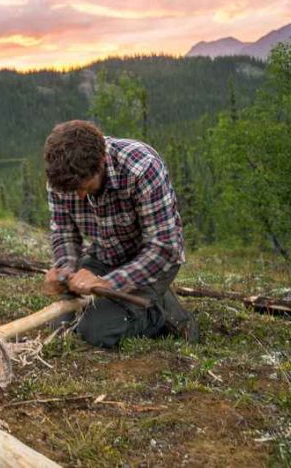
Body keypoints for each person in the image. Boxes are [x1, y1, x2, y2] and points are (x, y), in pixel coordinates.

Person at [42, 120, 199, 348]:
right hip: (105, 255)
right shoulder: (61, 176)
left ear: (101, 162)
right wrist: (65, 270)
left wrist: (109, 283)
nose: (78, 196)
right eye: (71, 190)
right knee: (60, 325)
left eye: (84, 187)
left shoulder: (142, 167)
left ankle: (160, 311)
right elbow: (65, 232)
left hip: (154, 263)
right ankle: (145, 301)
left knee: (95, 332)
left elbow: (164, 247)